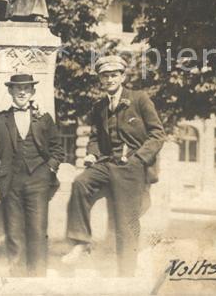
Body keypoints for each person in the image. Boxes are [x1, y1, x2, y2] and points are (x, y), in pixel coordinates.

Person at [61, 55, 165, 277]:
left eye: (113, 75)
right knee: (80, 183)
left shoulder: (139, 99)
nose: (109, 79)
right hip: (106, 163)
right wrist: (91, 155)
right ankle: (80, 242)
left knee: (126, 222)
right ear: (100, 79)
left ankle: (126, 275)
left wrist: (139, 159)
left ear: (122, 76)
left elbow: (158, 135)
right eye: (105, 76)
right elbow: (96, 137)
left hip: (132, 167)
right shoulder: (99, 106)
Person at [0, 73, 64, 277]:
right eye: (17, 89)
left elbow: (58, 150)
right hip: (10, 183)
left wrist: (49, 171)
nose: (22, 92)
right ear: (10, 91)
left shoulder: (43, 118)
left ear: (33, 92)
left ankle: (37, 280)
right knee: (13, 233)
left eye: (26, 89)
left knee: (38, 231)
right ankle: (17, 282)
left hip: (38, 181)